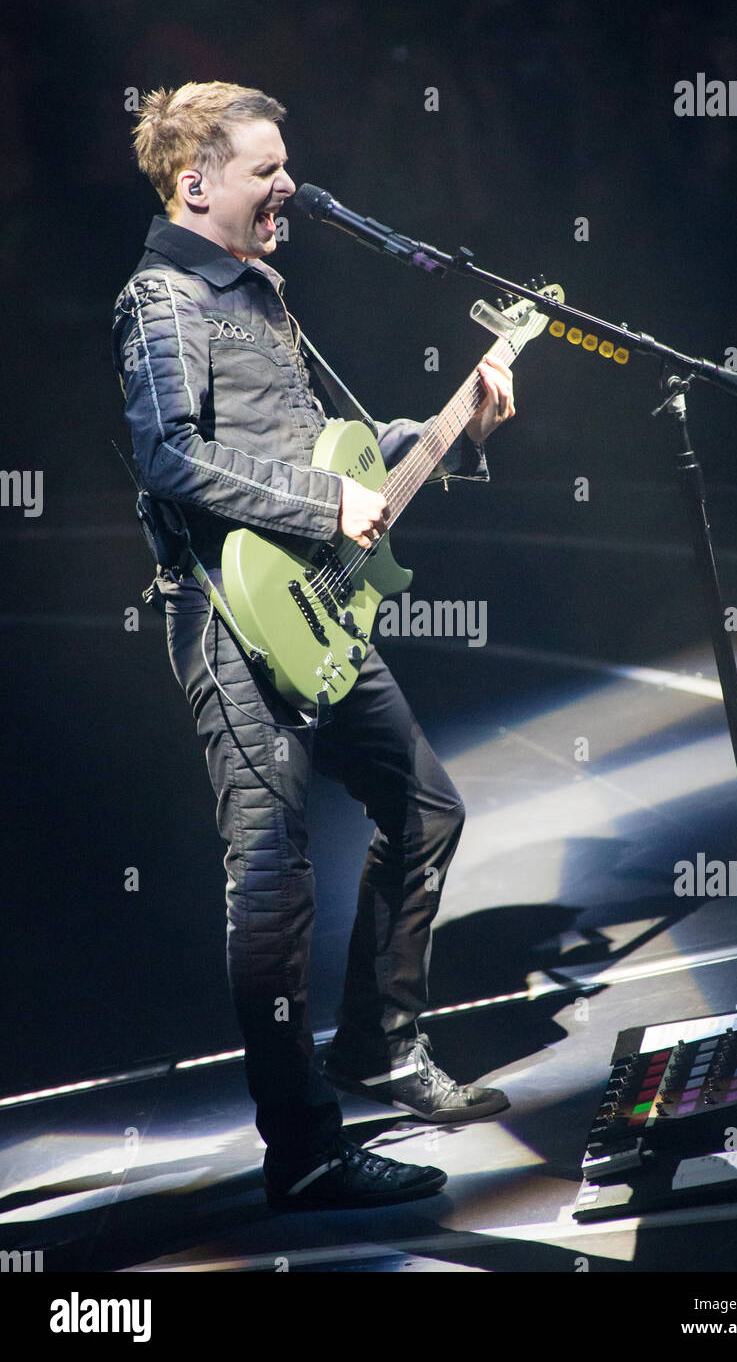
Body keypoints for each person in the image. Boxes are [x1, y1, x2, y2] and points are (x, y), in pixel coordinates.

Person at [112, 81, 515, 1211]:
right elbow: (169, 461)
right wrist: (317, 507)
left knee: (425, 808)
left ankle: (381, 1050)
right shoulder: (161, 301)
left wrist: (449, 429)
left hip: (315, 604)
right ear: (195, 182)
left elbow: (335, 452)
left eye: (287, 164)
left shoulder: (263, 293)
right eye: (264, 169)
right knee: (272, 887)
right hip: (228, 619)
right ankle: (303, 1149)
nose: (289, 184)